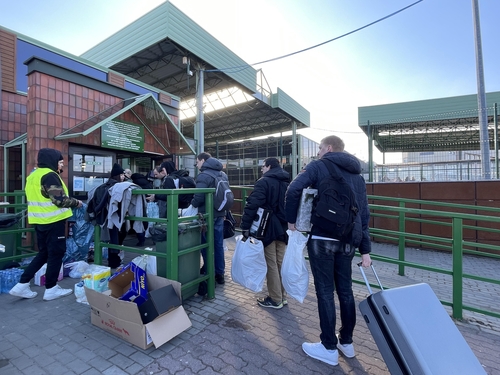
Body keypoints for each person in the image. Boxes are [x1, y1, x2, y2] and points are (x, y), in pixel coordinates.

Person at [284, 135, 372, 366]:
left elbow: (294, 190)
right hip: (348, 242)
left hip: (322, 237)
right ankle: (347, 342)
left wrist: (291, 221)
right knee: (345, 291)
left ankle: (328, 346)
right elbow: (363, 214)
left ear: (329, 148)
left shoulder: (318, 165)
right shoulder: (357, 176)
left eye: (320, 148)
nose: (318, 152)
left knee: (324, 291)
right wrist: (365, 250)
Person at [10, 148, 83, 301]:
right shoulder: (50, 175)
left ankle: (22, 284)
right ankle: (51, 288)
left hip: (39, 221)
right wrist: (77, 203)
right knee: (56, 254)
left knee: (43, 254)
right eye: (60, 162)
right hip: (53, 222)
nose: (61, 166)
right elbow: (59, 201)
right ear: (52, 161)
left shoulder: (33, 175)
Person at [240, 157, 290, 309]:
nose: (261, 169)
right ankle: (283, 296)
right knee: (281, 262)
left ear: (269, 166)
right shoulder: (288, 182)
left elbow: (252, 205)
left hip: (267, 228)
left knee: (271, 263)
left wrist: (245, 226)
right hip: (284, 227)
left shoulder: (264, 182)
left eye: (263, 166)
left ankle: (275, 299)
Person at [190, 152, 227, 285]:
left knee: (205, 244)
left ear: (203, 160)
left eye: (197, 162)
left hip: (206, 214)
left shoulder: (204, 175)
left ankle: (208, 271)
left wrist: (191, 206)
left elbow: (199, 197)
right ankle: (220, 273)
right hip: (220, 213)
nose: (197, 165)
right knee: (218, 244)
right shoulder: (222, 174)